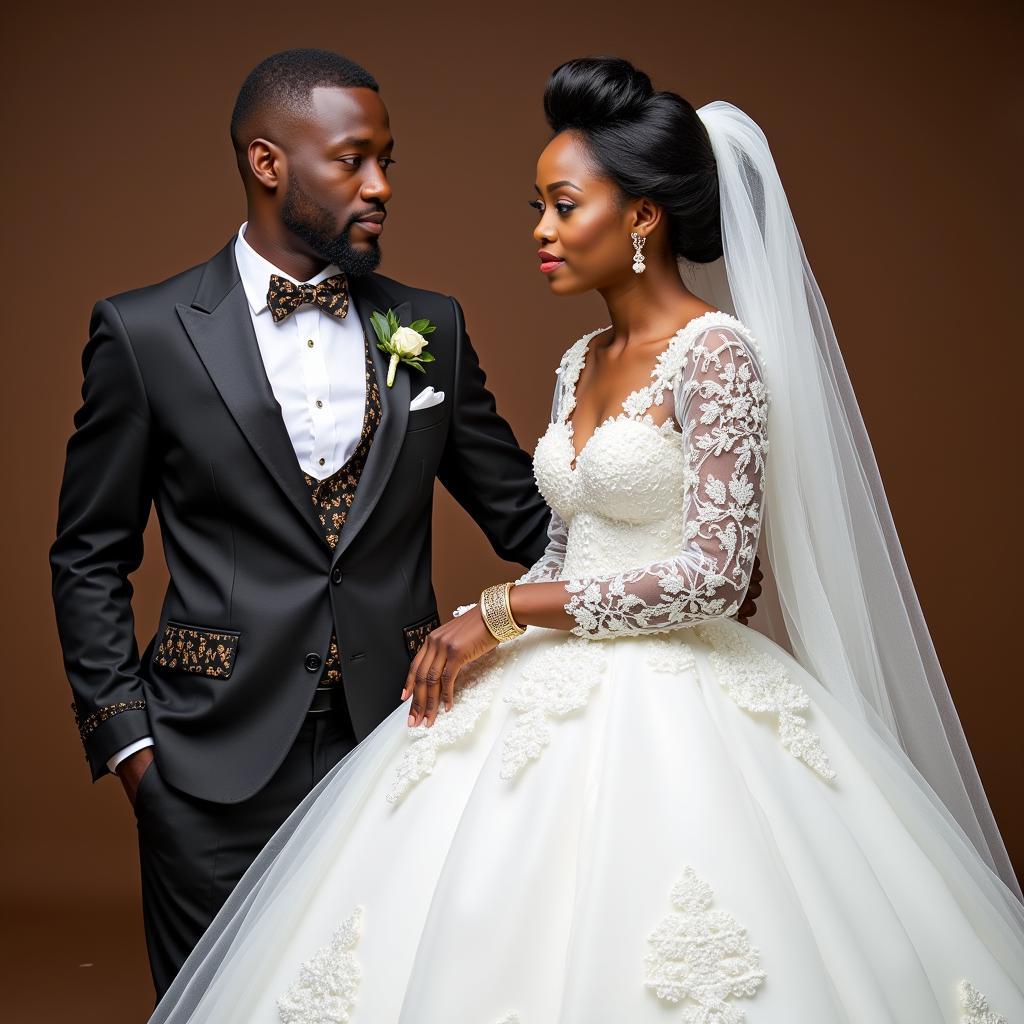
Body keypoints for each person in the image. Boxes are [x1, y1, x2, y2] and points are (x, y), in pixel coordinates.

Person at [144, 57, 1024, 1022]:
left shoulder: (717, 353)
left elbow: (716, 578)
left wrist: (503, 611)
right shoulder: (581, 359)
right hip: (551, 665)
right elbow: (571, 545)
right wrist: (510, 622)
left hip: (683, 693)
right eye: (539, 205)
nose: (541, 231)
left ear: (642, 217)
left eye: (563, 206)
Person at [55, 49, 761, 1002]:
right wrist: (134, 753)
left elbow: (540, 513)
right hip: (206, 754)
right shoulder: (143, 333)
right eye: (353, 160)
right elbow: (90, 555)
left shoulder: (432, 326)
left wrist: (646, 578)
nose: (382, 185)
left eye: (387, 158)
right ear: (269, 164)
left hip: (400, 737)